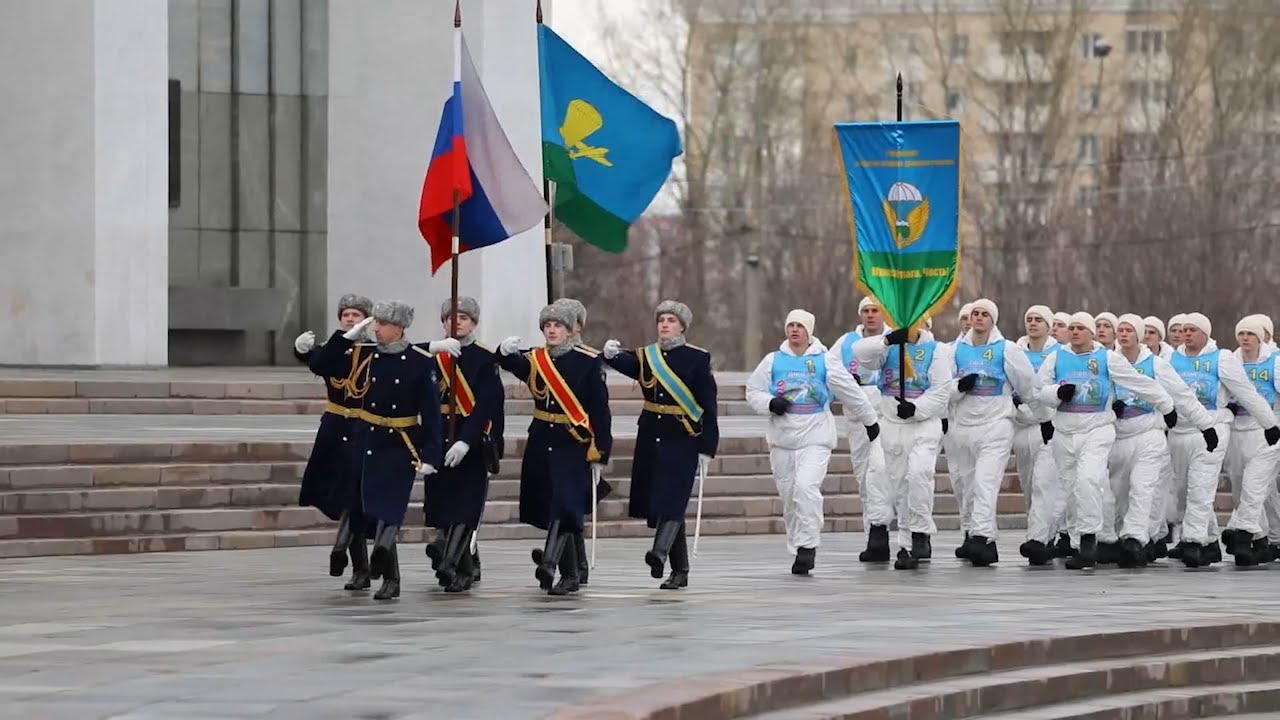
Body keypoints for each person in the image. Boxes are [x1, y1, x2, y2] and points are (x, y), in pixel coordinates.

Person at [308, 300, 445, 600]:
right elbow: (321, 364)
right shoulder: (364, 354)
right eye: (375, 324)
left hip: (400, 442)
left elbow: (432, 415)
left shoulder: (420, 362)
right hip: (366, 439)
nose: (376, 329)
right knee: (364, 507)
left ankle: (390, 576)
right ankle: (382, 572)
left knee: (389, 508)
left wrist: (432, 456)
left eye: (382, 324)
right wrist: (343, 338)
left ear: (399, 328)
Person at [1033, 312, 1175, 569]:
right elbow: (1037, 390)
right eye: (1072, 328)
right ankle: (1080, 544)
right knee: (1072, 487)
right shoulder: (1057, 358)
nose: (1075, 332)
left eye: (1080, 328)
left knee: (1089, 479)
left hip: (1097, 429)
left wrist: (1166, 405)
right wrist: (1055, 393)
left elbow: (1139, 382)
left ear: (1090, 333)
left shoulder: (1107, 358)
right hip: (1065, 432)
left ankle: (1089, 538)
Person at [746, 309, 880, 574]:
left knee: (806, 488)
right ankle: (798, 545)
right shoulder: (773, 360)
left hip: (815, 435)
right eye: (791, 325)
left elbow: (850, 391)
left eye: (800, 326)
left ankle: (808, 547)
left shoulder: (824, 360)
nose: (795, 330)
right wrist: (770, 403)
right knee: (789, 496)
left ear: (809, 331)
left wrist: (870, 421)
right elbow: (753, 390)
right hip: (782, 438)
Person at [497, 300, 612, 595]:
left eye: (558, 325)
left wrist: (600, 450)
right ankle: (570, 565)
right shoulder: (538, 359)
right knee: (551, 503)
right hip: (541, 438)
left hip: (573, 442)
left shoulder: (588, 361)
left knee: (564, 503)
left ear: (571, 329)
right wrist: (504, 352)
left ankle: (560, 569)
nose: (551, 330)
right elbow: (516, 365)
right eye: (547, 326)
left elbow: (600, 410)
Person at [602, 300, 718, 589]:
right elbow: (624, 363)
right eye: (661, 320)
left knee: (674, 498)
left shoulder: (697, 359)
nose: (665, 325)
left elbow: (709, 406)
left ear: (682, 326)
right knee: (662, 500)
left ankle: (659, 552)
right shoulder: (646, 357)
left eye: (671, 320)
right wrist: (610, 354)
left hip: (683, 437)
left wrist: (707, 446)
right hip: (652, 435)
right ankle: (680, 571)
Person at [1167, 312, 1280, 567]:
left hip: (1226, 430)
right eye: (1183, 330)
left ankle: (1201, 541)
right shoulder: (1172, 359)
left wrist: (1270, 424)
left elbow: (1247, 393)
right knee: (1194, 489)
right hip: (1190, 431)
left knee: (1215, 487)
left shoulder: (1224, 359)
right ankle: (1211, 542)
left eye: (1192, 330)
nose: (1186, 334)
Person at [1102, 314, 1215, 568]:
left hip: (1149, 436)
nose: (1123, 334)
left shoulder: (1156, 365)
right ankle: (1127, 538)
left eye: (1129, 330)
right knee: (1119, 494)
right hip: (1118, 437)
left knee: (1143, 488)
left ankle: (1134, 538)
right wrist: (1111, 406)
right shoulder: (1110, 363)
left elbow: (1182, 395)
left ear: (1139, 335)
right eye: (1120, 330)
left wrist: (1205, 425)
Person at [851, 319, 953, 569]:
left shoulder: (937, 350)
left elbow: (942, 390)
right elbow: (860, 353)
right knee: (898, 485)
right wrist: (886, 340)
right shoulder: (887, 347)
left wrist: (916, 409)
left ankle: (919, 534)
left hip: (923, 424)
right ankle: (907, 547)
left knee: (918, 475)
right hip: (892, 425)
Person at [947, 298, 1041, 566]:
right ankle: (981, 540)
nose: (978, 318)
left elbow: (1027, 384)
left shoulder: (1007, 349)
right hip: (963, 427)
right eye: (975, 313)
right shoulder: (955, 350)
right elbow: (942, 388)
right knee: (966, 485)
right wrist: (958, 388)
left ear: (993, 320)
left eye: (984, 314)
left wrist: (1031, 411)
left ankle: (981, 536)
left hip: (996, 424)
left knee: (985, 482)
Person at [421, 297, 504, 592]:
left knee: (465, 505)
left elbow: (487, 405)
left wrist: (467, 441)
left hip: (470, 434)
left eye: (463, 318)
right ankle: (466, 561)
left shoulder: (483, 357)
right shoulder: (433, 354)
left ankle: (453, 564)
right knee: (442, 503)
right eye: (449, 318)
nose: (455, 323)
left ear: (474, 323)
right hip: (438, 434)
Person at [294, 293, 375, 590]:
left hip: (364, 428)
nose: (350, 319)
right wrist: (300, 350)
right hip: (335, 428)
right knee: (342, 497)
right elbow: (319, 363)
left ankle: (360, 563)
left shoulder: (376, 350)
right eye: (346, 315)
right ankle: (358, 564)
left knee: (357, 499)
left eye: (356, 315)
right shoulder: (333, 349)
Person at [828, 297, 891, 562]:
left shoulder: (894, 339)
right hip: (856, 421)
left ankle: (907, 535)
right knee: (864, 478)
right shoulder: (845, 343)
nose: (870, 315)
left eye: (875, 310)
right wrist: (845, 384)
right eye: (865, 311)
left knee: (883, 474)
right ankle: (875, 537)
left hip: (888, 417)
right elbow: (829, 373)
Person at [1221, 316, 1280, 565]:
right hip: (1238, 431)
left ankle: (1243, 533)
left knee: (1255, 486)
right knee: (1247, 487)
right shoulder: (1231, 362)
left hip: (1267, 431)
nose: (1245, 338)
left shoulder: (1275, 361)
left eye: (1251, 334)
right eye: (1241, 333)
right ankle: (1266, 538)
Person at [1013, 305, 1063, 564]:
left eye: (1038, 320)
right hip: (1022, 428)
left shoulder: (1058, 353)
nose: (1033, 324)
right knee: (1029, 485)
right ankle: (1044, 533)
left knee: (1045, 482)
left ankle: (1039, 538)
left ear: (1048, 325)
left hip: (1049, 428)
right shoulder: (1015, 352)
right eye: (1029, 319)